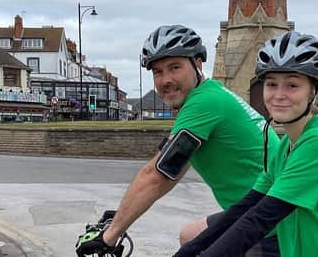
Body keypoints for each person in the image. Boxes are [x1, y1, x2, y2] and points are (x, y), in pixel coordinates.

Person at [75, 24, 281, 256]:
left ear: (198, 64)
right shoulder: (212, 93)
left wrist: (109, 236)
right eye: (158, 72)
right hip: (258, 210)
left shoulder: (204, 104)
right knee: (189, 235)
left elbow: (157, 175)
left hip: (273, 227)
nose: (166, 80)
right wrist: (123, 215)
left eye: (175, 68)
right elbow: (175, 166)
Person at [173, 31, 318, 257]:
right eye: (272, 84)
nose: (278, 95)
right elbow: (244, 210)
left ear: (315, 90)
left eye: (292, 86)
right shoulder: (287, 146)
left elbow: (260, 219)